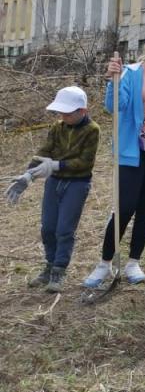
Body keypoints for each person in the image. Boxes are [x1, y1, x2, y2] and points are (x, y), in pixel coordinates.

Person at [83, 28, 145, 288]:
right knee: (125, 206)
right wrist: (112, 81)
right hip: (132, 150)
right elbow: (114, 106)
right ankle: (104, 263)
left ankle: (134, 262)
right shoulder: (130, 73)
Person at [5, 86, 99, 292]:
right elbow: (44, 151)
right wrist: (29, 173)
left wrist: (57, 165)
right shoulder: (57, 127)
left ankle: (59, 270)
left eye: (68, 112)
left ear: (82, 111)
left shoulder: (92, 130)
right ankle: (48, 266)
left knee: (64, 229)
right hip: (54, 182)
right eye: (61, 112)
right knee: (48, 228)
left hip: (77, 183)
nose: (63, 116)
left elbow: (85, 161)